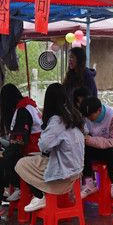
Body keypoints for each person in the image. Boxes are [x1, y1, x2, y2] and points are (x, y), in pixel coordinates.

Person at [16, 83, 85, 212]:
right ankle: (41, 195)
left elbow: (44, 146)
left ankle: (40, 195)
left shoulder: (57, 120)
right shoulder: (74, 115)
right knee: (37, 160)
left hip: (63, 175)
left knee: (21, 164)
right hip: (76, 170)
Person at [0, 84, 42, 217]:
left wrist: (3, 154)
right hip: (35, 149)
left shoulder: (23, 111)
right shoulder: (29, 105)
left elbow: (19, 142)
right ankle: (13, 189)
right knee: (3, 156)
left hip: (32, 153)